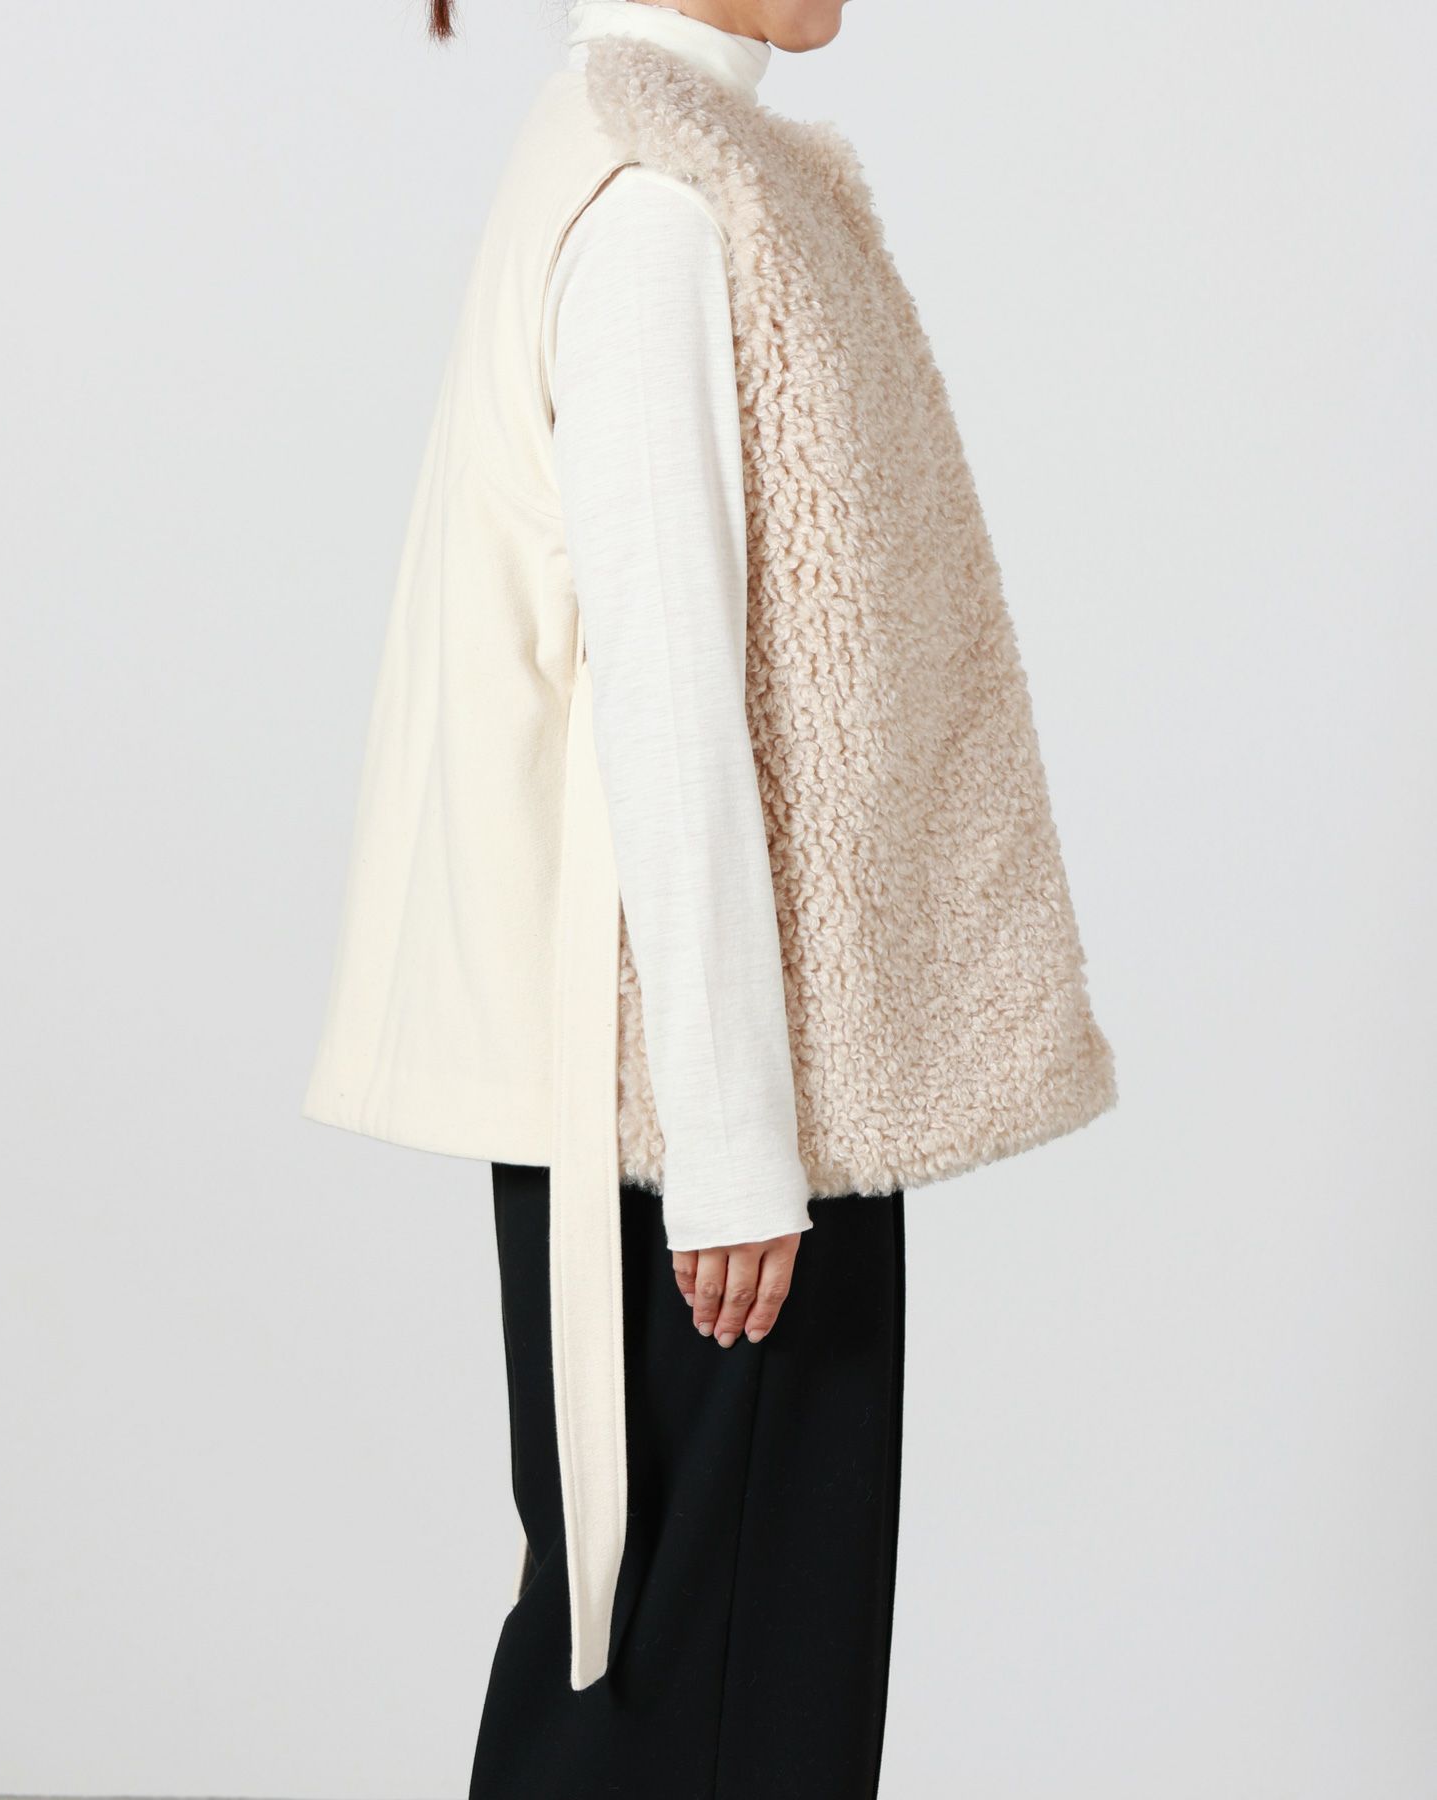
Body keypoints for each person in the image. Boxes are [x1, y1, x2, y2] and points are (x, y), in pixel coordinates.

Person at [302, 1, 1119, 1793]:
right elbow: (663, 698)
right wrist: (741, 1150)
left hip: (683, 1090)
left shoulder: (642, 155)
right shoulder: (661, 207)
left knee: (653, 1675)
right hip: (704, 1122)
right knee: (712, 1711)